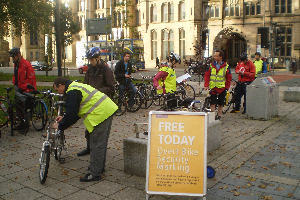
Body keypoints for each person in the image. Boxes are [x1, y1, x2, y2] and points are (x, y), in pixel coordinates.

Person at [52, 77, 118, 182]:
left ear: (61, 85)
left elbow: (72, 115)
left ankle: (95, 174)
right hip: (104, 110)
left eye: (57, 89)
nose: (58, 92)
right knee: (99, 143)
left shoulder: (72, 91)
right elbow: (75, 110)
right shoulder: (74, 86)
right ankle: (98, 168)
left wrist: (60, 126)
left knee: (97, 144)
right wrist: (64, 117)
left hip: (101, 114)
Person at [77, 47, 115, 157]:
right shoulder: (90, 69)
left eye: (92, 60)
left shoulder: (106, 70)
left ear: (98, 58)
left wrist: (96, 92)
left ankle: (97, 151)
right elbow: (85, 84)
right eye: (89, 60)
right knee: (88, 129)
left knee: (98, 131)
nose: (90, 62)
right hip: (90, 103)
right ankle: (89, 148)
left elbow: (111, 88)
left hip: (101, 104)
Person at [9, 47, 37, 132]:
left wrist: (24, 88)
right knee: (16, 105)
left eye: (13, 57)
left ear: (18, 55)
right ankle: (21, 123)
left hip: (26, 89)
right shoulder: (16, 64)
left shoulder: (26, 64)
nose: (13, 59)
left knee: (23, 106)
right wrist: (14, 83)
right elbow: (16, 75)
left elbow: (31, 78)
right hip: (19, 88)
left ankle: (25, 124)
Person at [204, 50, 232, 120]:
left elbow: (229, 78)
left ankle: (219, 115)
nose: (214, 57)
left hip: (222, 88)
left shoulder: (226, 67)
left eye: (216, 56)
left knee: (221, 103)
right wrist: (206, 85)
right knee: (212, 103)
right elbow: (207, 75)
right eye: (214, 55)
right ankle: (212, 116)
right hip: (213, 87)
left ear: (221, 57)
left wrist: (227, 87)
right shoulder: (211, 65)